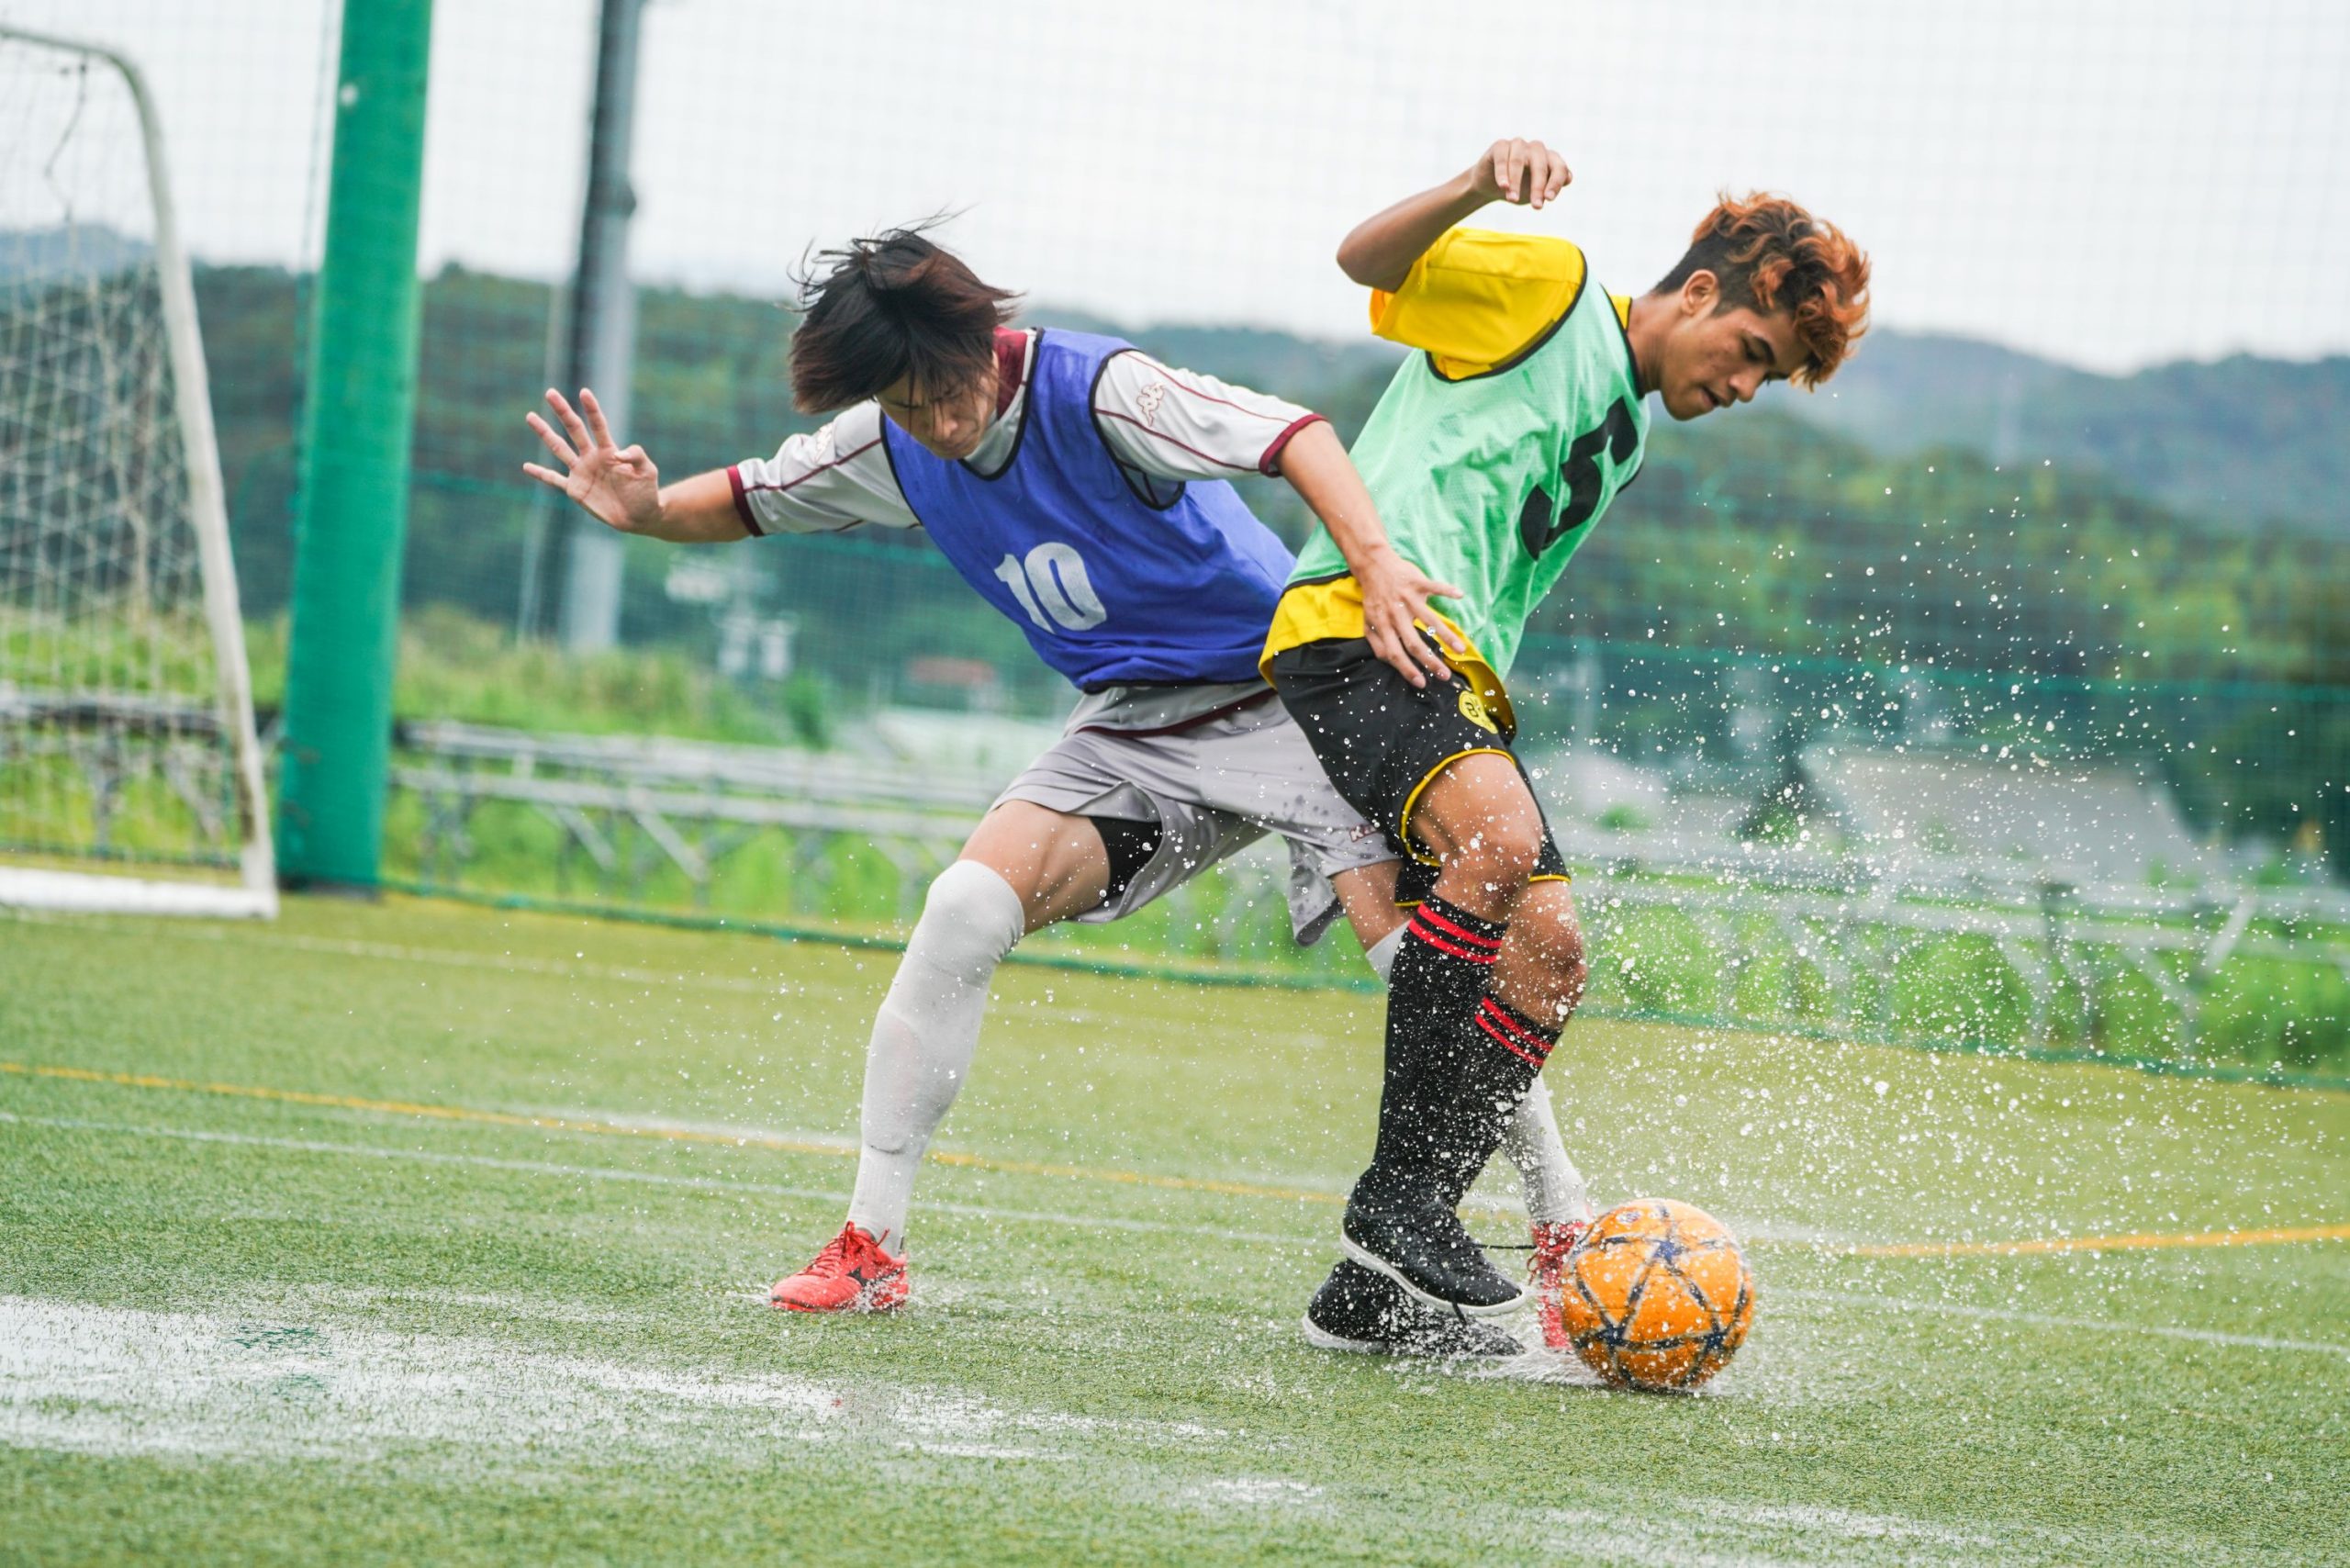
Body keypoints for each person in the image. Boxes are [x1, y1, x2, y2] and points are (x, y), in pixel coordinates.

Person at [522, 225, 1597, 1358]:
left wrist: (1372, 562)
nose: (938, 421)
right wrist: (643, 511)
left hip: (1282, 690)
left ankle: (1557, 1222)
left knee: (1420, 960)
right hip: (1132, 725)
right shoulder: (887, 444)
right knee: (963, 909)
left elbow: (1297, 436)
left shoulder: (1102, 393)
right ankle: (868, 1246)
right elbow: (745, 500)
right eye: (906, 404)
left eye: (944, 388)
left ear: (984, 336)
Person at [1265, 139, 1870, 1346]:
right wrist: (1478, 186)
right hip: (1355, 629)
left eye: (1773, 377)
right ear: (1700, 292)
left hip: (1454, 681)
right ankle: (1403, 1208)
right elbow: (1362, 260)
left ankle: (1372, 1296)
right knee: (1498, 843)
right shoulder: (1548, 289)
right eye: (1754, 351)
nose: (1747, 385)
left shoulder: (1626, 435)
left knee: (1549, 953)